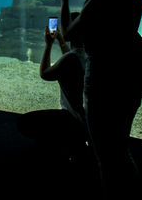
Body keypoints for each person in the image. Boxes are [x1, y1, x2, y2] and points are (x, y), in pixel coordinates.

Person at [59, 0, 142, 197]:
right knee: (119, 145)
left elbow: (68, 33)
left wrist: (65, 0)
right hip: (129, 78)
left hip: (103, 83)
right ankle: (132, 193)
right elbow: (112, 20)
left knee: (106, 153)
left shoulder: (98, 5)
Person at [16, 24, 88, 161]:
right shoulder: (85, 55)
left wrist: (48, 45)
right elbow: (70, 56)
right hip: (87, 119)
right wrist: (61, 41)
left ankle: (65, 146)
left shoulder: (70, 59)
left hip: (74, 119)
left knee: (25, 122)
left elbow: (45, 74)